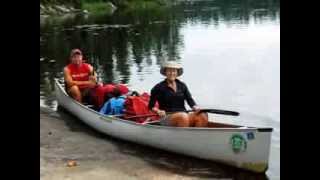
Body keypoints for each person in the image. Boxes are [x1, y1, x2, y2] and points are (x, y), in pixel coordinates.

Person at [148, 61, 208, 127]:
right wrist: (158, 111)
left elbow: (190, 101)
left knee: (202, 114)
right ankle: (183, 136)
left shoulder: (182, 85)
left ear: (177, 73)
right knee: (182, 116)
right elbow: (151, 106)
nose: (172, 73)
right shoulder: (158, 87)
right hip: (167, 117)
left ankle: (197, 135)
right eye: (169, 71)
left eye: (174, 71)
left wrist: (195, 107)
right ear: (165, 72)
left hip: (184, 115)